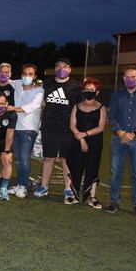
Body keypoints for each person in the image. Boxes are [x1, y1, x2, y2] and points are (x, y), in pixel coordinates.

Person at [105, 66, 136, 218]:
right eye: (127, 77)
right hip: (118, 139)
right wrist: (121, 132)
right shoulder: (117, 95)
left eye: (133, 77)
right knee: (115, 173)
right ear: (123, 79)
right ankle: (114, 202)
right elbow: (111, 116)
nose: (130, 80)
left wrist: (132, 134)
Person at [33, 58, 82, 203]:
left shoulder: (76, 85)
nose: (61, 69)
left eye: (64, 66)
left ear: (70, 69)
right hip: (49, 127)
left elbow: (80, 107)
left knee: (66, 159)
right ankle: (44, 186)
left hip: (68, 128)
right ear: (55, 68)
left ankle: (68, 188)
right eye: (58, 66)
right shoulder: (47, 83)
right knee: (49, 158)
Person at [67, 78, 106, 208]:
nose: (89, 92)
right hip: (77, 141)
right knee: (76, 167)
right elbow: (72, 125)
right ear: (83, 91)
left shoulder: (101, 108)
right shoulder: (77, 106)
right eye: (86, 89)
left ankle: (92, 196)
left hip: (95, 142)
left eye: (92, 90)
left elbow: (101, 127)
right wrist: (81, 138)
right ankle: (74, 195)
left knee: (92, 167)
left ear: (97, 92)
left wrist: (85, 134)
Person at [7, 64, 44, 198]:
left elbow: (33, 106)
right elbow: (6, 80)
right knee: (18, 159)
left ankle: (23, 186)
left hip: (29, 128)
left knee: (24, 158)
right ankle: (21, 184)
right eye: (25, 73)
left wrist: (14, 108)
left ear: (34, 76)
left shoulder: (39, 91)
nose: (27, 76)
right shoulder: (17, 84)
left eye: (30, 74)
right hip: (17, 127)